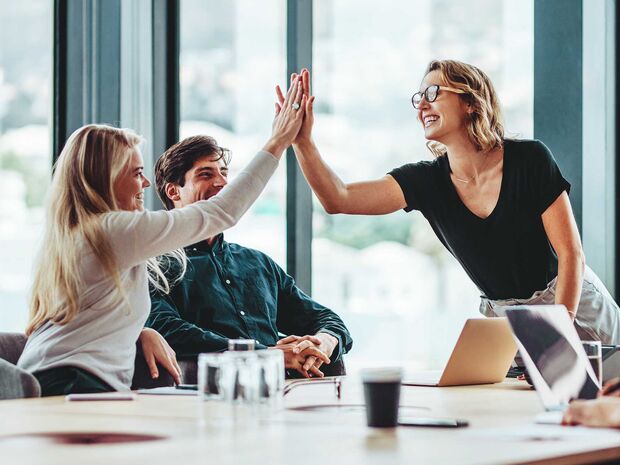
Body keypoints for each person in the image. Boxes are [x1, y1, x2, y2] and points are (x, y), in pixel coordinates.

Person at [279, 61, 620, 344]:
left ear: (471, 101)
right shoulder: (426, 182)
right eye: (419, 98)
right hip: (507, 322)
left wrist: (560, 329)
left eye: (433, 93)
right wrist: (303, 142)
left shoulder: (531, 159)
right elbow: (338, 198)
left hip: (573, 304)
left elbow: (571, 254)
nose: (422, 105)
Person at [17, 76, 307, 396]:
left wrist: (140, 331)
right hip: (72, 384)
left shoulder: (81, 234)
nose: (145, 184)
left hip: (52, 379)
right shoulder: (112, 231)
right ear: (106, 178)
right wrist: (277, 142)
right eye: (136, 173)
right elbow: (221, 212)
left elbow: (89, 315)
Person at [146, 135, 353, 378]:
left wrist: (323, 342)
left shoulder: (258, 263)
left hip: (286, 394)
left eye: (224, 173)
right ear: (173, 191)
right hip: (210, 396)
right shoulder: (155, 266)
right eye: (205, 174)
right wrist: (265, 354)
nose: (222, 183)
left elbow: (326, 318)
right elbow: (166, 329)